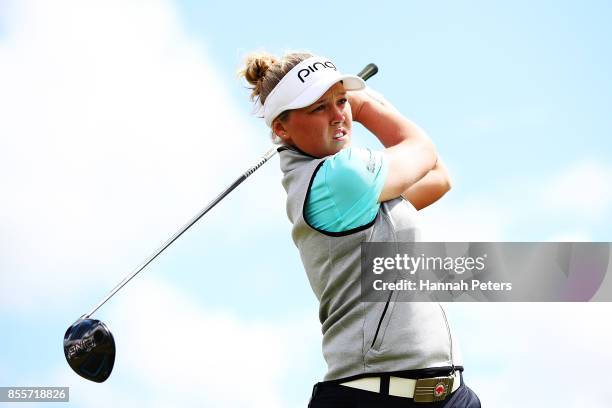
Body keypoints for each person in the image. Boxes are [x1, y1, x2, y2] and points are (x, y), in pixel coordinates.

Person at [239, 51, 481, 408]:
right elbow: (423, 150)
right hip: (371, 398)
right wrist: (364, 106)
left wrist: (352, 101)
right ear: (281, 128)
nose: (338, 114)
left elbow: (438, 178)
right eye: (319, 107)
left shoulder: (357, 185)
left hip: (449, 395)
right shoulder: (339, 180)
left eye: (341, 101)